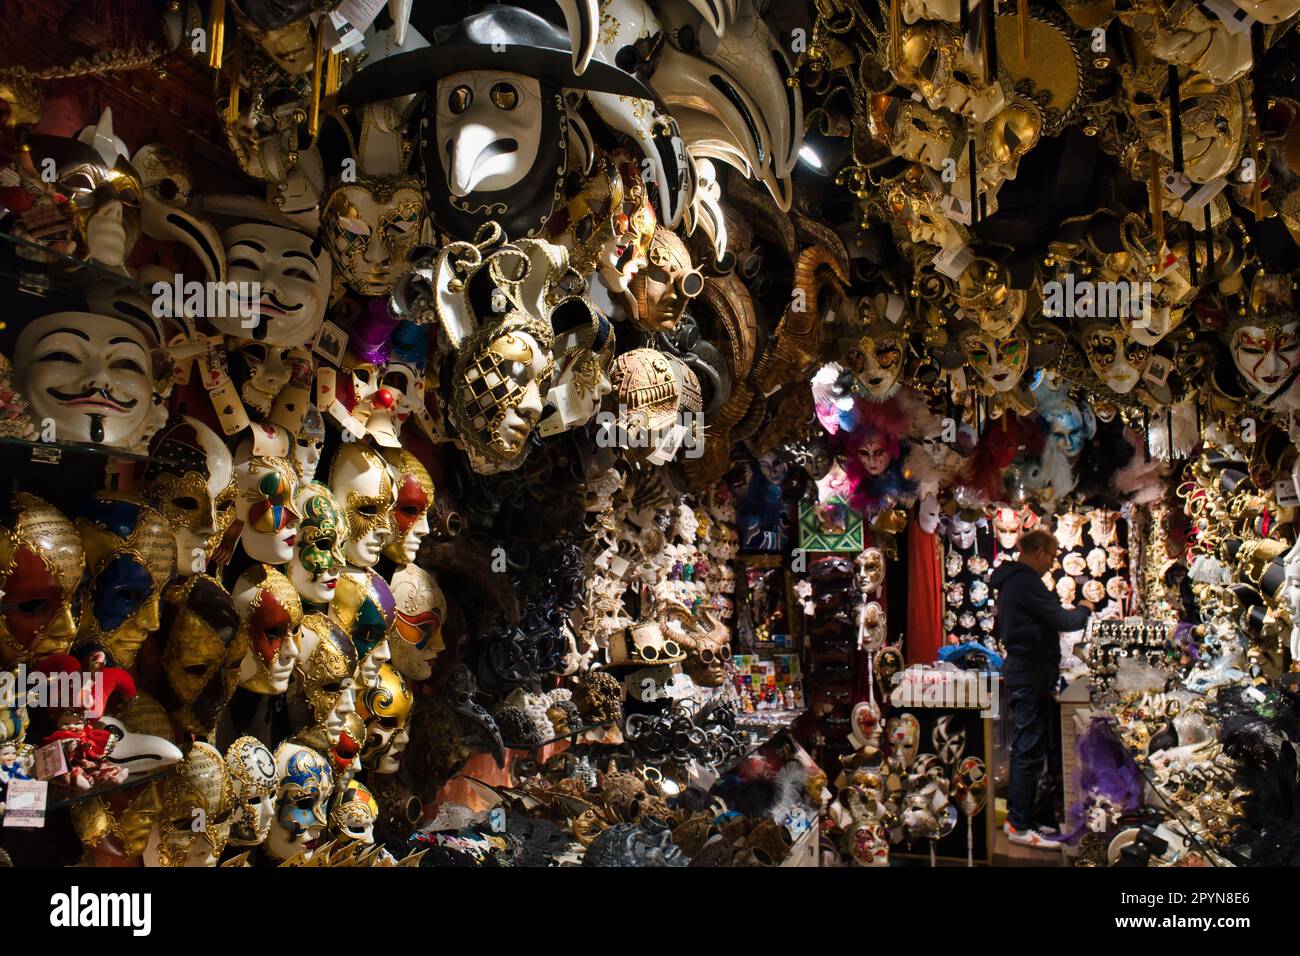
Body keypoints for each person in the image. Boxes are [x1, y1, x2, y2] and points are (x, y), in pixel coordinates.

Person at [988, 528, 1093, 850]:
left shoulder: (1014, 583)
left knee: (1032, 747)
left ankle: (1026, 817)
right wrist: (1084, 609)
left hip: (1029, 673)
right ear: (1037, 552)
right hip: (1029, 675)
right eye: (1051, 555)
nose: (1052, 562)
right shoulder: (1024, 582)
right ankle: (1019, 823)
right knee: (1028, 749)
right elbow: (1062, 620)